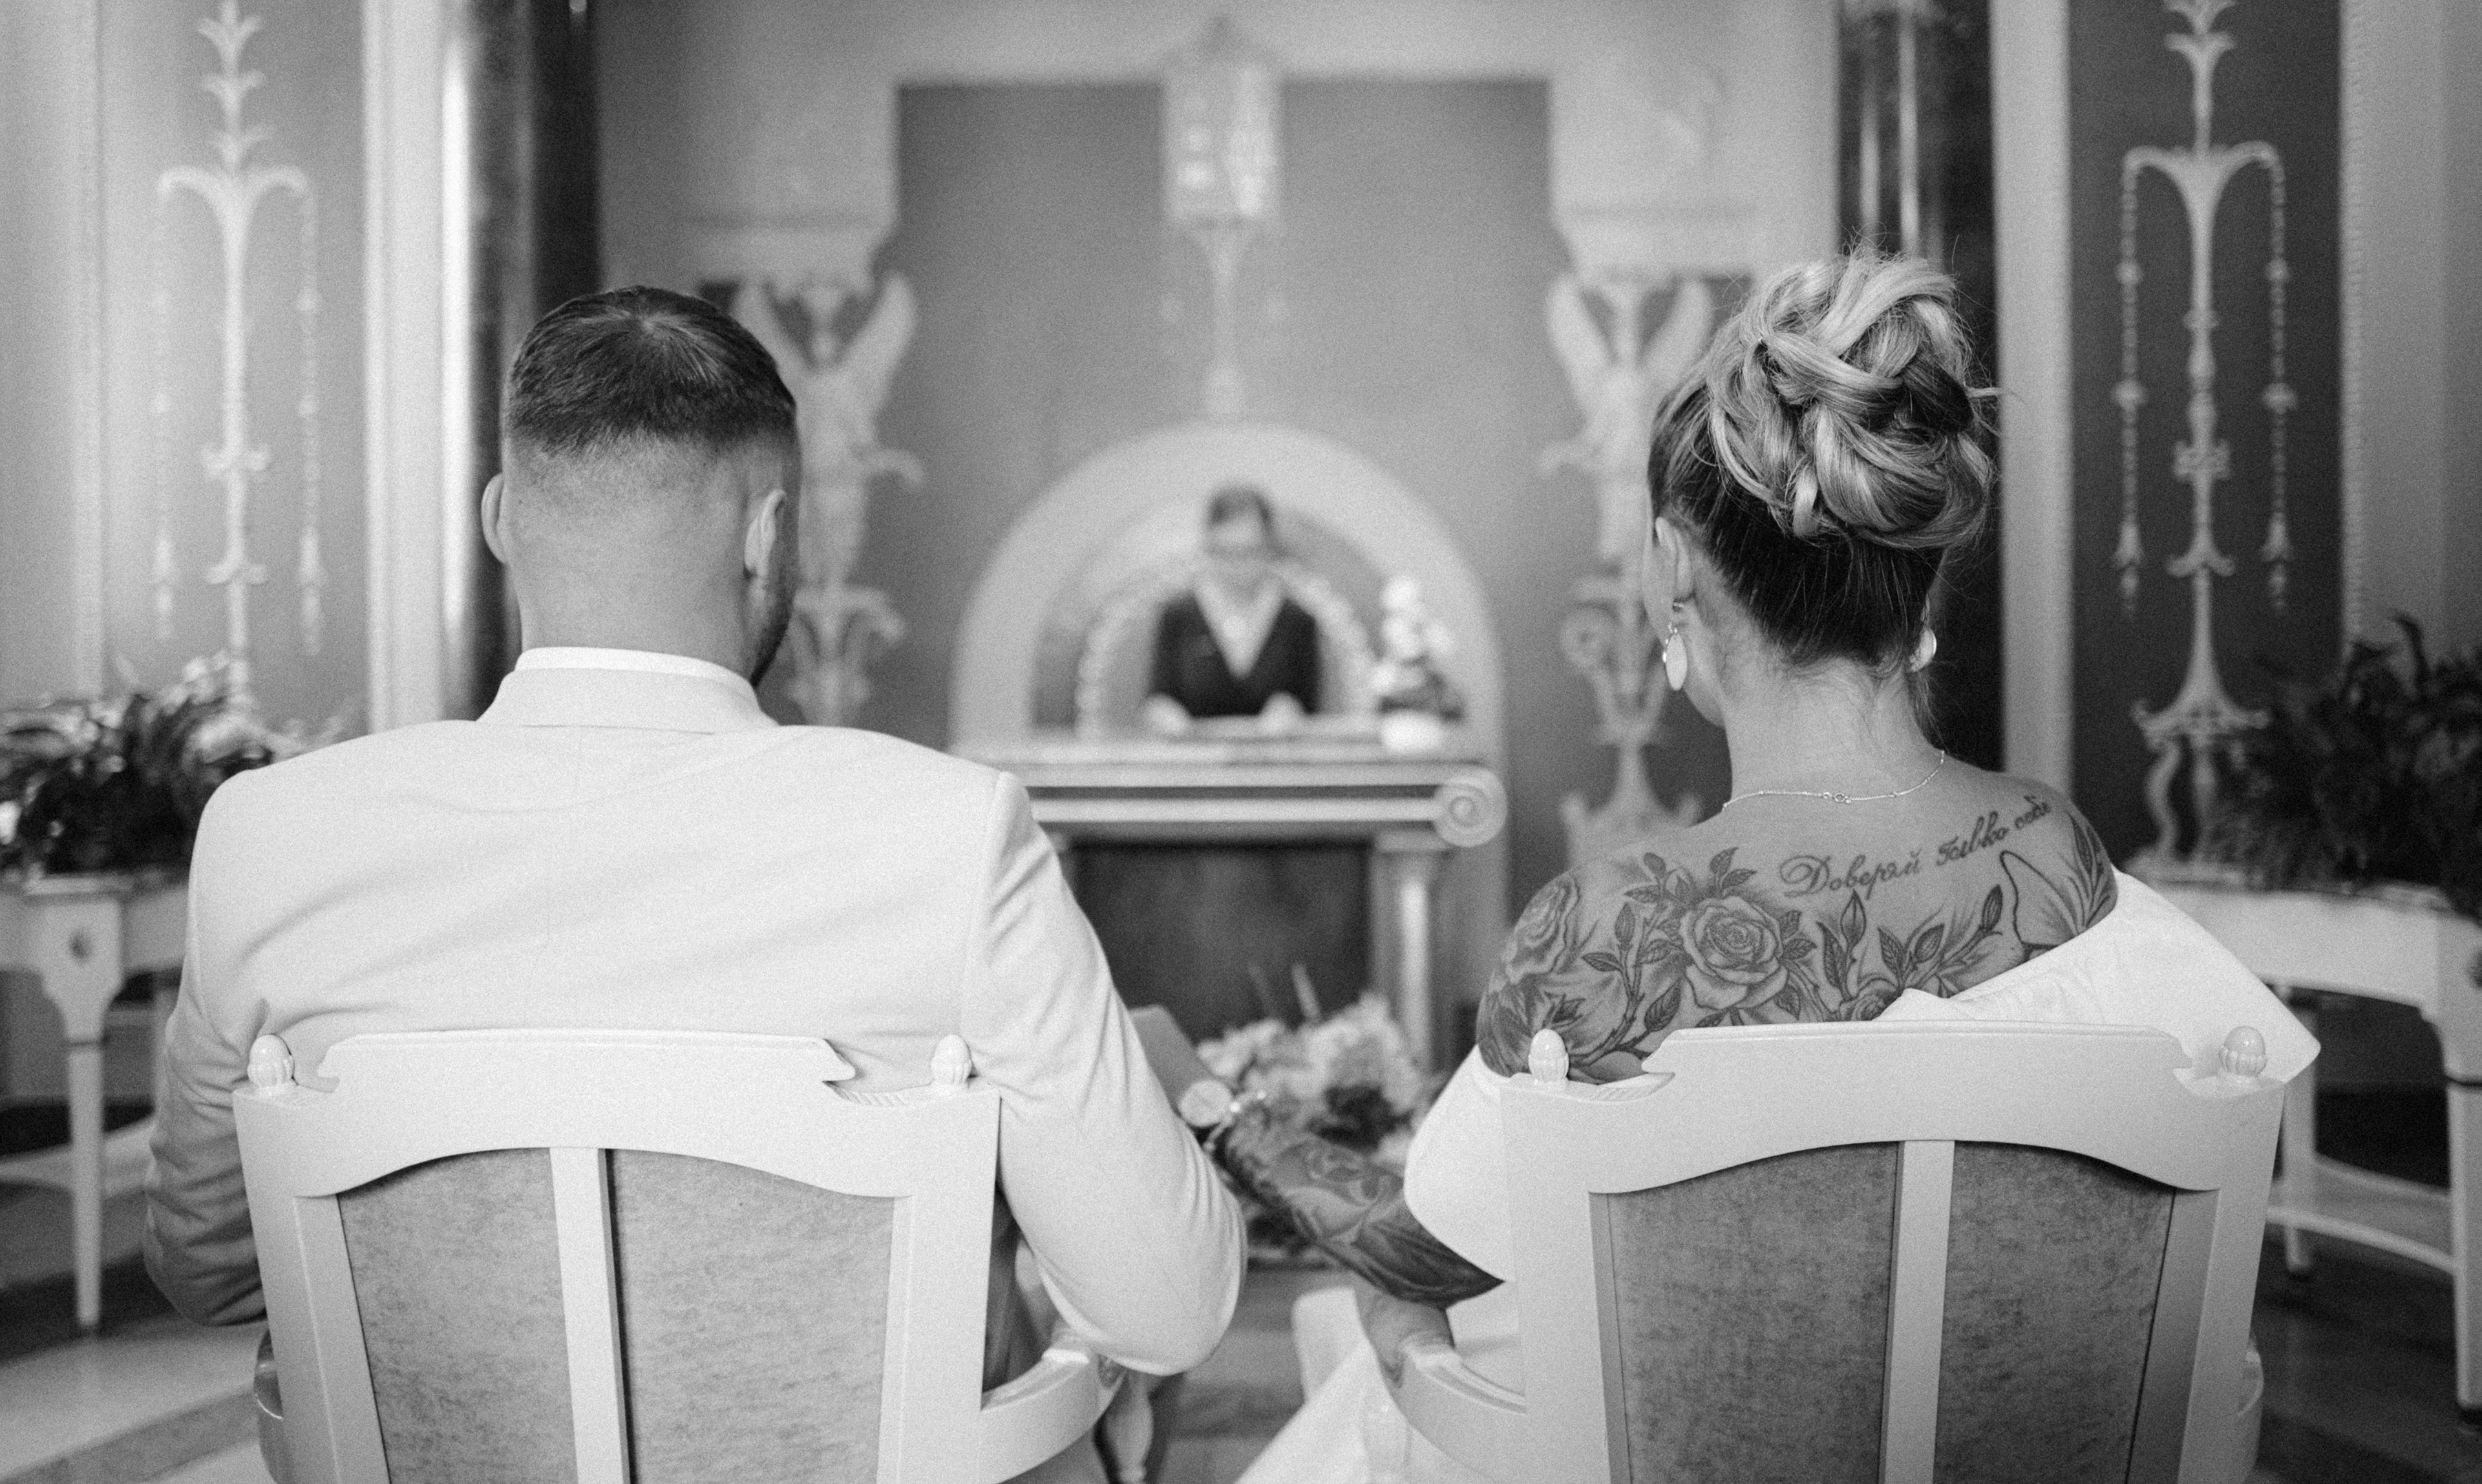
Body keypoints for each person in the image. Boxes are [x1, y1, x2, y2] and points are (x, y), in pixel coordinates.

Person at [1213, 251, 2311, 1484]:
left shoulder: (1601, 931)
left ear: (1675, 566)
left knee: (1369, 1361)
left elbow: (1417, 1253)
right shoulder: (2060, 860)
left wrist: (1220, 1115)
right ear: (1919, 579)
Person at [145, 286, 1244, 1483]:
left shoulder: (267, 837)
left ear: (502, 516)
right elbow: (1167, 1310)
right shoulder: (952, 836)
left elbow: (206, 1270)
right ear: (769, 535)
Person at [1142, 485, 1322, 734]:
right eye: (1224, 553)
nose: (1237, 566)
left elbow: (1310, 705)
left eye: (1249, 552)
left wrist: (1292, 712)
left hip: (1274, 755)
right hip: (1194, 753)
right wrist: (1164, 716)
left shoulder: (1297, 620)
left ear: (1270, 548)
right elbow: (1158, 698)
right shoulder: (1178, 615)